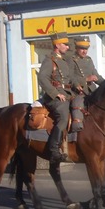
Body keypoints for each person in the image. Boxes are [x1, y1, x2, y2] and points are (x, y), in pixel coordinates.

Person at [38, 32, 74, 162]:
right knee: (63, 117)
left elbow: (70, 79)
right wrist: (55, 93)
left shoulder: (64, 60)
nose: (68, 47)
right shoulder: (49, 60)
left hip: (67, 93)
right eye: (65, 44)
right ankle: (53, 149)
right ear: (57, 45)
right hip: (54, 97)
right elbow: (42, 78)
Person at [70, 37, 104, 132]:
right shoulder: (71, 60)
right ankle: (77, 129)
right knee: (77, 104)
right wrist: (85, 79)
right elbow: (69, 77)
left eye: (86, 49)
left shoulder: (89, 60)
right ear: (76, 48)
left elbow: (96, 75)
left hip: (92, 91)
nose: (84, 51)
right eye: (82, 49)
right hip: (78, 92)